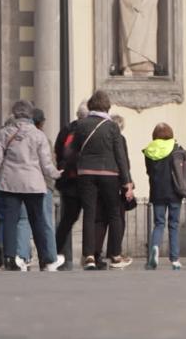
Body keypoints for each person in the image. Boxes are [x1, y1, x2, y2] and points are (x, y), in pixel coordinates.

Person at [0, 100, 62, 271]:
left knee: (10, 221)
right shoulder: (39, 135)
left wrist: (1, 170)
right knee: (37, 220)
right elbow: (46, 164)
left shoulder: (3, 133)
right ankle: (45, 259)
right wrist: (57, 174)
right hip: (33, 183)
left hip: (10, 183)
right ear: (31, 114)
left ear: (15, 114)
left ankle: (9, 259)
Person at [73, 90, 134, 270]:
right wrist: (127, 183)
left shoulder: (81, 125)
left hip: (86, 173)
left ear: (91, 105)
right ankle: (115, 255)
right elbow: (120, 156)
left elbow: (75, 150)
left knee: (90, 214)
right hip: (109, 174)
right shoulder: (112, 127)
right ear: (107, 106)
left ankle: (90, 256)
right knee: (115, 213)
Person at [143, 123, 186, 270]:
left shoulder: (149, 150)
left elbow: (149, 172)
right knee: (173, 225)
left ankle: (154, 248)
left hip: (157, 192)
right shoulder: (177, 148)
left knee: (159, 224)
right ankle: (175, 260)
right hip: (175, 191)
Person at [53, 101, 90, 271]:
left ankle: (55, 252)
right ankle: (91, 255)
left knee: (67, 219)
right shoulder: (89, 130)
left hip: (68, 180)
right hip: (85, 179)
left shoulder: (66, 130)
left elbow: (58, 151)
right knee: (91, 217)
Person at [0, 114, 31, 269]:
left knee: (4, 219)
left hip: (1, 184)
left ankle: (1, 244)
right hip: (21, 184)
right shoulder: (26, 138)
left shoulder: (0, 137)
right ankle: (21, 255)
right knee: (21, 220)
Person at [93, 114, 130, 265]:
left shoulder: (100, 137)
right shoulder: (120, 139)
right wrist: (127, 183)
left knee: (100, 220)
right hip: (115, 182)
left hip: (97, 181)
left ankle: (95, 254)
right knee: (117, 218)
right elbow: (124, 163)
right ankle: (114, 253)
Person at [31, 107, 61, 271]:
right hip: (43, 184)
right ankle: (49, 257)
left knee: (27, 221)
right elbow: (49, 162)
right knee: (46, 222)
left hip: (26, 185)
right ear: (41, 123)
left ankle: (26, 255)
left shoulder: (22, 137)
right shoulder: (43, 139)